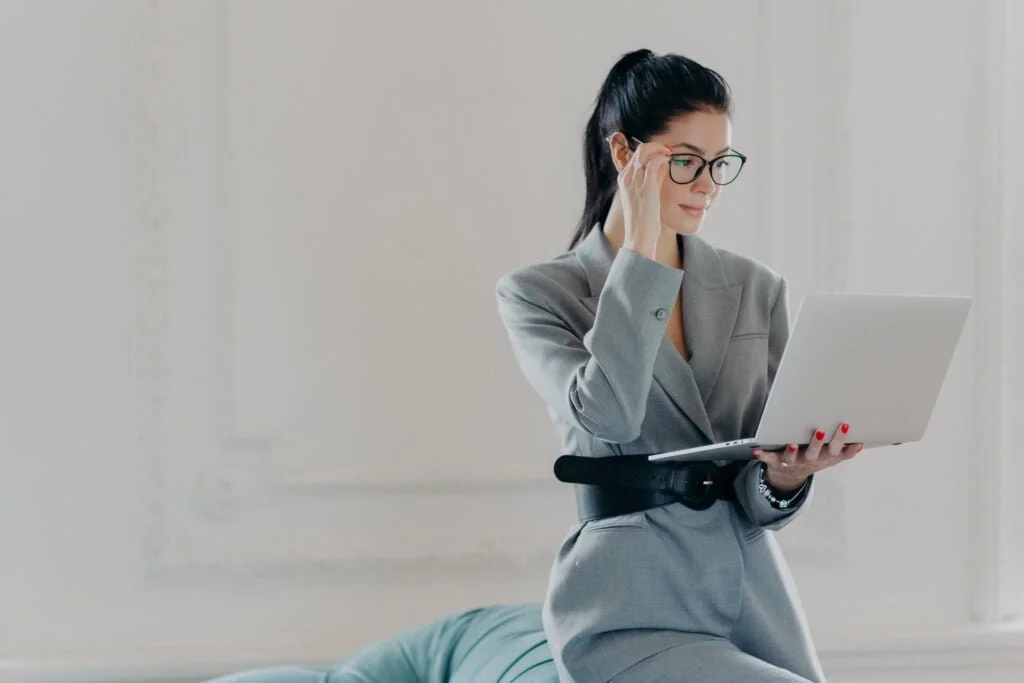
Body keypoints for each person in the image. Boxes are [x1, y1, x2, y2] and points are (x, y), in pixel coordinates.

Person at [494, 49, 862, 682]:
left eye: (721, 164)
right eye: (686, 162)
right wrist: (640, 253)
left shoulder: (755, 287)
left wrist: (788, 475)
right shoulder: (538, 293)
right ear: (624, 156)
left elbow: (756, 492)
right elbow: (607, 414)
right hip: (627, 608)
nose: (708, 186)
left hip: (753, 601)